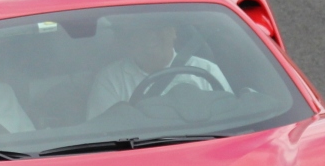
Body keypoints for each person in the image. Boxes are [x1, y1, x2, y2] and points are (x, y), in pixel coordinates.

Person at [86, 19, 230, 119]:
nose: (149, 36)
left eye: (158, 27)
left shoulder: (207, 71)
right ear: (129, 41)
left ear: (174, 32)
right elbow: (102, 135)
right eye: (138, 31)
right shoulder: (110, 80)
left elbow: (229, 117)